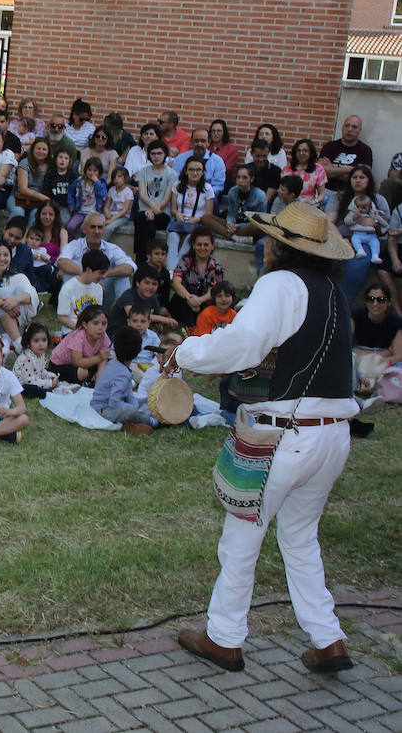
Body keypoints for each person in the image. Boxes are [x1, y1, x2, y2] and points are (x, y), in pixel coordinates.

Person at [173, 201, 358, 676]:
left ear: (278, 246)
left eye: (268, 240)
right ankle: (327, 637)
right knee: (300, 538)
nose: (264, 246)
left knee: (242, 535)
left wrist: (187, 352)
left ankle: (224, 637)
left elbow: (242, 344)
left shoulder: (280, 284)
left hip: (286, 436)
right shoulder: (335, 293)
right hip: (332, 436)